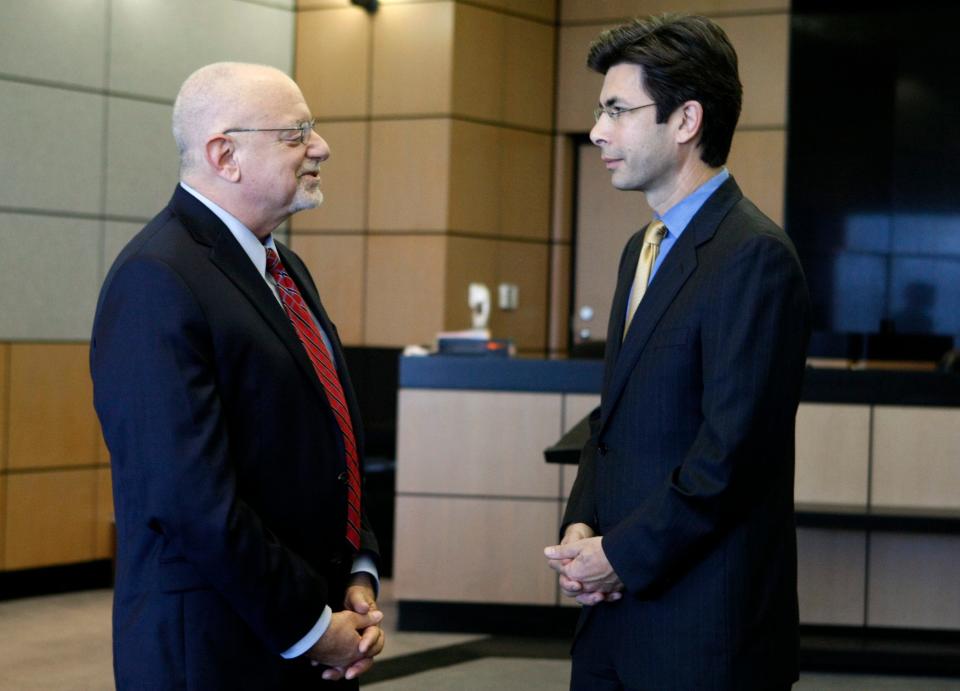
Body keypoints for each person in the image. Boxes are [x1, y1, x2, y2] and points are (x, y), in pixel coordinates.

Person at [91, 62, 384, 690]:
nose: (321, 146)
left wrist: (357, 568)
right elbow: (190, 499)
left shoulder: (283, 266)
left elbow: (329, 436)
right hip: (215, 652)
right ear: (225, 154)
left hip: (313, 632)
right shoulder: (157, 279)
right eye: (296, 133)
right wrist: (309, 626)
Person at [544, 15, 811, 691]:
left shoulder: (753, 255)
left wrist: (620, 556)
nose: (599, 130)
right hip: (614, 619)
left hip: (701, 631)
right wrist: (582, 523)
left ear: (686, 119)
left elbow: (731, 455)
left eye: (616, 110)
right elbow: (618, 416)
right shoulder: (644, 248)